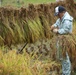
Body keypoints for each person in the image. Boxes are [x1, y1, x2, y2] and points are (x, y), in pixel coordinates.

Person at [51, 6, 73, 75]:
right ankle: (64, 72)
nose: (57, 16)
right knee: (62, 57)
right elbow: (57, 23)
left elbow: (66, 30)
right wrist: (53, 26)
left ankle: (66, 73)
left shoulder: (67, 19)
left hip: (66, 40)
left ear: (62, 12)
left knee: (65, 57)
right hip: (61, 40)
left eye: (58, 14)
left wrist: (57, 31)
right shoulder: (61, 18)